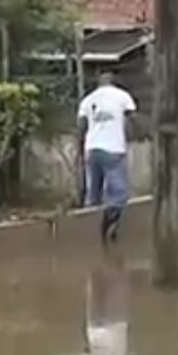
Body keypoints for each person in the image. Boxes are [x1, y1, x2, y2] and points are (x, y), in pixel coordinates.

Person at [77, 71, 137, 245]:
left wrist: (80, 151)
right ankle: (109, 224)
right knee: (119, 194)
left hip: (92, 149)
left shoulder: (88, 100)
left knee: (92, 193)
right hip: (113, 149)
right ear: (114, 82)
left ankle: (88, 236)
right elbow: (131, 119)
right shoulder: (123, 96)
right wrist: (130, 138)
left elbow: (81, 126)